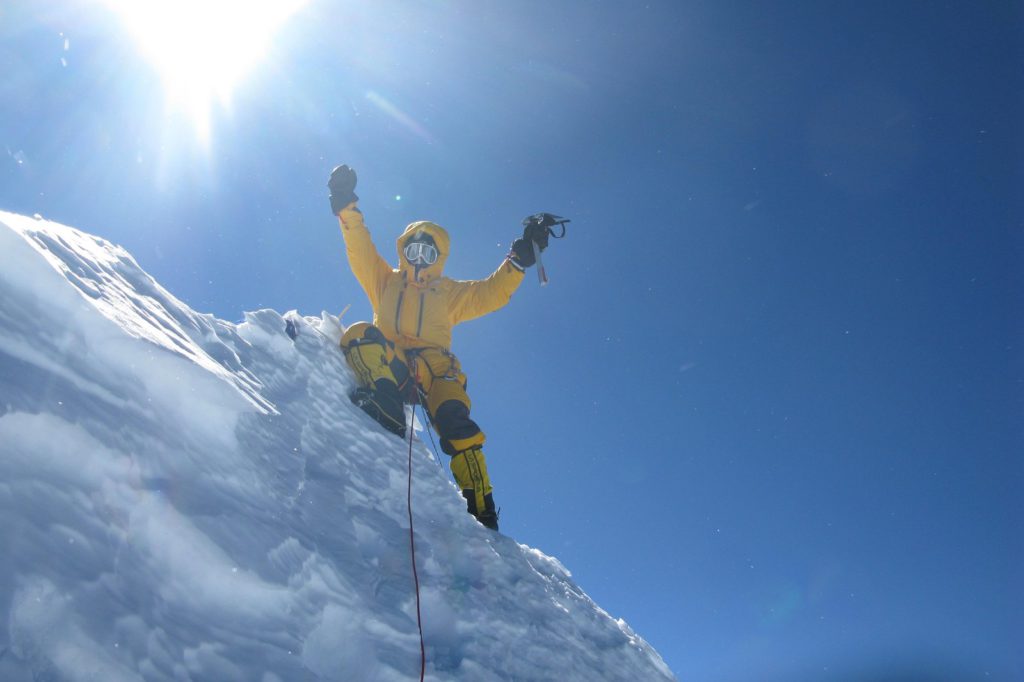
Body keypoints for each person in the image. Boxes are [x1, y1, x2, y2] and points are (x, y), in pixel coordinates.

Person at [327, 164, 549, 531]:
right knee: (358, 334)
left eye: (428, 254)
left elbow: (490, 293)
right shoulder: (385, 281)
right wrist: (345, 206)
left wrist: (517, 261)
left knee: (454, 420)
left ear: (439, 259)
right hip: (392, 360)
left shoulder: (448, 293)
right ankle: (387, 406)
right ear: (403, 251)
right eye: (413, 249)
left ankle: (481, 504)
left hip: (435, 367)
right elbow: (361, 250)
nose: (419, 259)